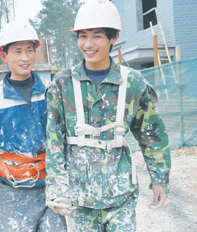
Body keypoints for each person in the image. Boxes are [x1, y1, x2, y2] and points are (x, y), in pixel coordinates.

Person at [45, 0, 171, 231]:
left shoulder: (132, 82)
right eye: (82, 36)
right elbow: (54, 139)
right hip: (80, 198)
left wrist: (159, 180)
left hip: (120, 194)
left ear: (113, 38)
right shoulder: (63, 84)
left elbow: (152, 135)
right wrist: (57, 188)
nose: (88, 44)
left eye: (97, 36)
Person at [0, 21, 67, 231]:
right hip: (12, 192)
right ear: (4, 55)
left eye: (29, 50)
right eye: (17, 51)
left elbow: (65, 140)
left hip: (51, 188)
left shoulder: (51, 92)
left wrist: (66, 185)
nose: (25, 57)